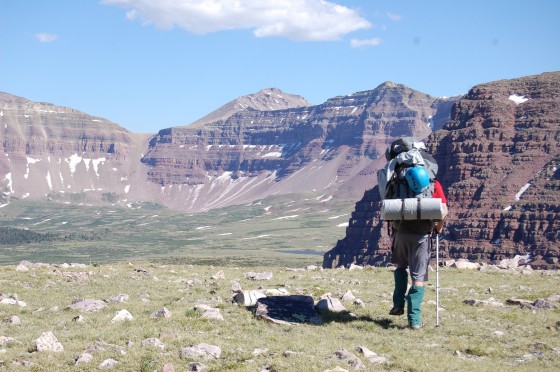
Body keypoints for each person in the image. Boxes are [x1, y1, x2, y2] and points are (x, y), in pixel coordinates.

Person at [388, 177, 448, 329]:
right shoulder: (434, 183)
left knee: (401, 267)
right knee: (418, 276)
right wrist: (438, 228)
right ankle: (414, 320)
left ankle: (398, 304)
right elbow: (443, 209)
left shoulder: (399, 182)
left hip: (401, 232)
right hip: (421, 236)